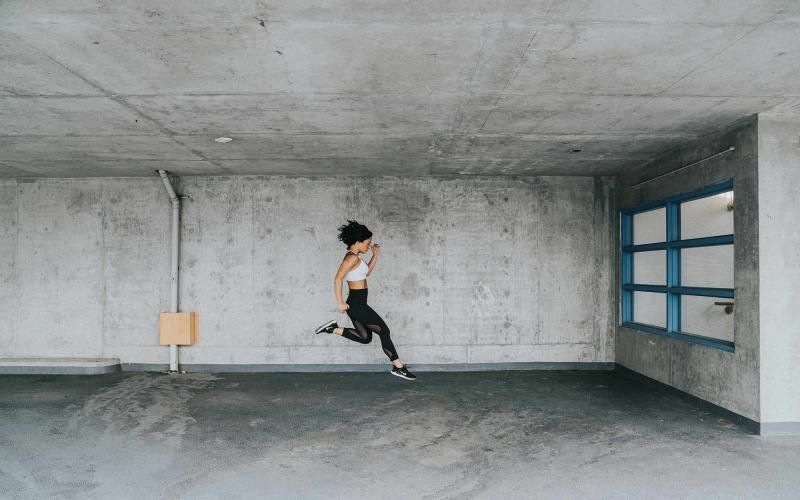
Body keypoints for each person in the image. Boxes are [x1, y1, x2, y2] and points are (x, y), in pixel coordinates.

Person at [314, 220, 416, 380]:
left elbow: (366, 272)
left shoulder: (357, 257)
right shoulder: (350, 259)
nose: (369, 246)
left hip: (359, 303)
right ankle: (399, 367)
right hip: (356, 303)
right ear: (358, 241)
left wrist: (375, 255)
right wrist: (340, 302)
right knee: (384, 331)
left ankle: (332, 328)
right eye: (367, 243)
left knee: (365, 337)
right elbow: (337, 279)